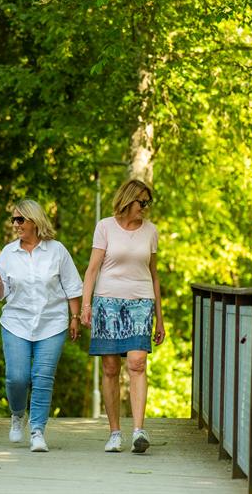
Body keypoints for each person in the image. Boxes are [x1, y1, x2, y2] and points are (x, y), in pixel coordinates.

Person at [0, 199, 83, 452]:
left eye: (19, 220)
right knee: (17, 378)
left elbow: (72, 287)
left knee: (43, 377)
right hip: (17, 322)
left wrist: (75, 318)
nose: (15, 225)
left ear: (34, 221)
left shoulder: (57, 251)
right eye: (14, 220)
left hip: (52, 323)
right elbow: (0, 293)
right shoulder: (8, 253)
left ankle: (37, 431)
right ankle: (17, 414)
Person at [80, 179, 165, 454]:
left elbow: (154, 275)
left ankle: (139, 431)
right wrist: (85, 305)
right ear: (128, 200)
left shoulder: (151, 231)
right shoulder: (105, 227)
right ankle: (115, 432)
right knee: (110, 368)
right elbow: (92, 270)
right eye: (142, 202)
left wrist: (160, 318)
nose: (145, 208)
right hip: (107, 303)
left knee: (137, 363)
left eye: (147, 203)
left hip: (141, 303)